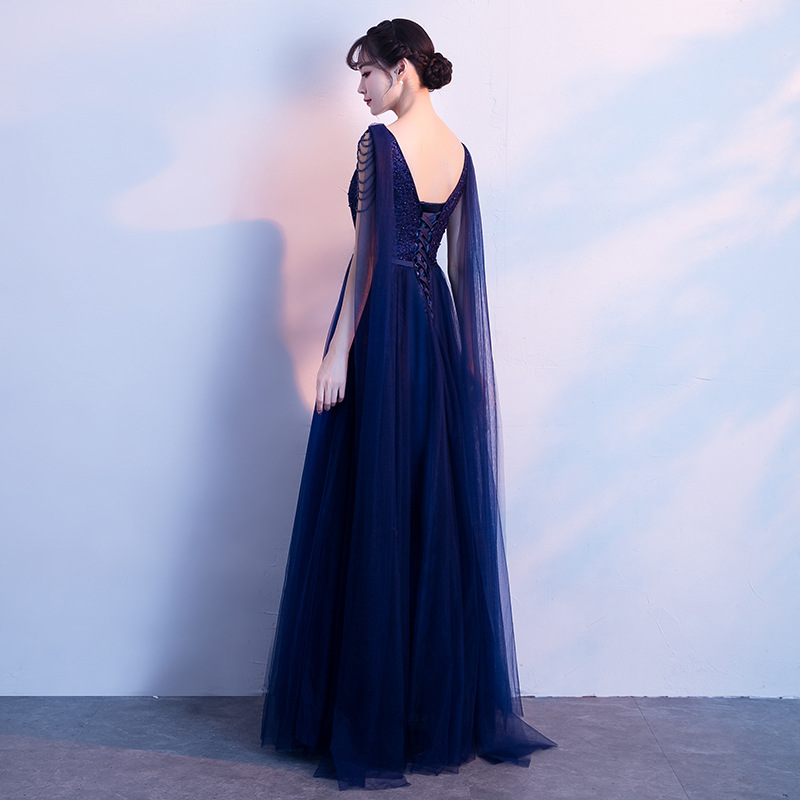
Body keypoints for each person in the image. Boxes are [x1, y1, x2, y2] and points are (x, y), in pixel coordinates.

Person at [260, 19, 555, 790]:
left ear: (402, 71)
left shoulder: (379, 146)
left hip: (379, 335)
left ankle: (365, 714)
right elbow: (462, 271)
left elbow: (367, 258)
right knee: (420, 510)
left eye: (367, 72)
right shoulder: (460, 155)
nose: (359, 88)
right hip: (431, 340)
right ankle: (424, 714)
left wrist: (336, 352)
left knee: (372, 508)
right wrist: (465, 372)